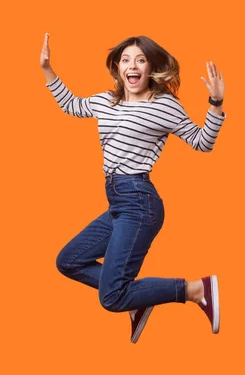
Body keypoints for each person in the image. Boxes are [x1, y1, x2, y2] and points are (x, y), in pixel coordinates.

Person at [40, 33, 226, 343]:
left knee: (111, 298)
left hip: (140, 202)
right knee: (69, 261)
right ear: (117, 68)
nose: (132, 65)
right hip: (117, 202)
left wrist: (216, 103)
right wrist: (47, 69)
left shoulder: (164, 105)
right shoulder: (106, 101)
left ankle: (195, 290)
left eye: (140, 59)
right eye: (126, 60)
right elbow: (71, 105)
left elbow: (201, 142)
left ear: (150, 67)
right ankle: (138, 299)